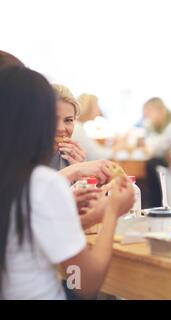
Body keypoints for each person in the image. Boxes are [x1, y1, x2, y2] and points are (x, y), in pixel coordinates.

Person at [0, 65, 134, 299]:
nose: (61, 128)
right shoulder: (41, 182)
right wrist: (112, 212)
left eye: (69, 120)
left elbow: (29, 238)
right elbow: (85, 282)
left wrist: (86, 213)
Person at [72, 93, 113, 161]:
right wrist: (115, 149)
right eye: (97, 107)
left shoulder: (79, 127)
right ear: (88, 107)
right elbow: (97, 156)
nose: (99, 111)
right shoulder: (77, 129)